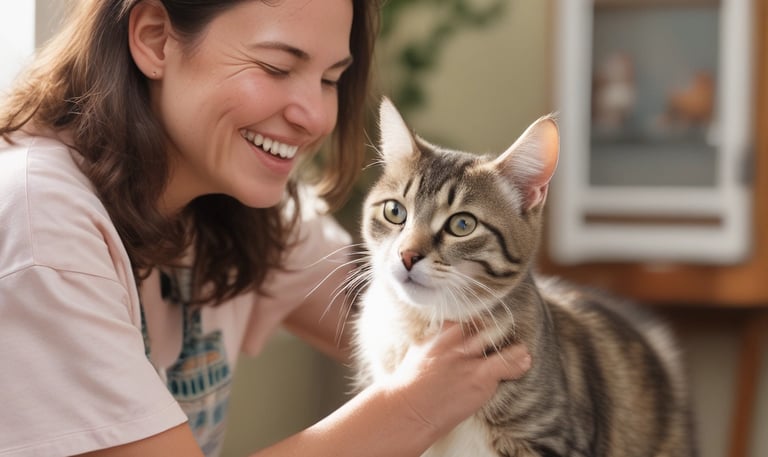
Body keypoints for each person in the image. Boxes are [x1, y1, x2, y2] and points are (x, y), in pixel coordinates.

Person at [0, 1, 532, 456]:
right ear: (155, 39)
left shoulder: (240, 200)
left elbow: (403, 312)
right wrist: (414, 406)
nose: (315, 117)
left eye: (330, 80)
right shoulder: (41, 223)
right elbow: (433, 377)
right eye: (277, 67)